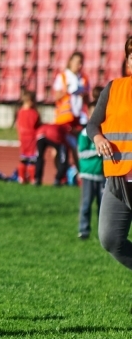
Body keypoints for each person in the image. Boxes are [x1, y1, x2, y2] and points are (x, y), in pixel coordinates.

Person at [88, 40, 132, 285]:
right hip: (118, 177)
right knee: (110, 238)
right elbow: (93, 124)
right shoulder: (114, 88)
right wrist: (97, 138)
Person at [53, 51, 90, 171]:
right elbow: (56, 96)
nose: (79, 66)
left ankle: (79, 173)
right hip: (64, 118)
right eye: (77, 62)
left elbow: (87, 99)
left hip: (78, 117)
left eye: (81, 63)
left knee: (77, 147)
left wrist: (83, 94)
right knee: (59, 147)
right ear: (70, 62)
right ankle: (60, 172)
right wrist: (67, 90)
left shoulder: (84, 78)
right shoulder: (62, 77)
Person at [77, 86, 106, 239]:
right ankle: (84, 230)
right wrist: (98, 150)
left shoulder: (105, 133)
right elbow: (82, 153)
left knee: (103, 205)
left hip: (102, 175)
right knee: (86, 203)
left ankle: (103, 232)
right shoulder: (84, 133)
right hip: (88, 174)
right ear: (88, 114)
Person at [35, 122, 71, 186]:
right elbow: (64, 144)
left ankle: (37, 179)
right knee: (63, 157)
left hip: (40, 134)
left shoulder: (51, 126)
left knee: (39, 157)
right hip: (53, 134)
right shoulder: (64, 130)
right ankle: (58, 179)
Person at [16, 91, 41, 184]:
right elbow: (37, 124)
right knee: (32, 159)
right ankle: (32, 178)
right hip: (32, 138)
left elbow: (18, 125)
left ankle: (21, 178)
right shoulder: (33, 113)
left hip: (22, 138)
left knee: (23, 157)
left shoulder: (20, 112)